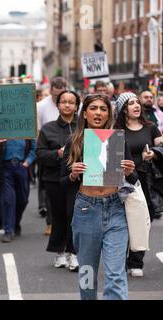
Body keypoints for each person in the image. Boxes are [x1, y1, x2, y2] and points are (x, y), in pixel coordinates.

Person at [61, 94, 137, 300]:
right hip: (86, 210)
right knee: (87, 274)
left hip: (115, 210)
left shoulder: (118, 139)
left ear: (108, 114)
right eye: (93, 108)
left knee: (116, 274)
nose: (98, 113)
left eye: (103, 109)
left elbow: (134, 178)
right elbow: (61, 182)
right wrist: (73, 174)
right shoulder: (75, 142)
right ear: (85, 113)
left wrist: (130, 171)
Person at [114, 92, 163, 276]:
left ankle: (136, 261)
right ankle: (120, 259)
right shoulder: (116, 130)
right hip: (123, 181)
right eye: (131, 103)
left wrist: (155, 153)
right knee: (123, 221)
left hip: (145, 180)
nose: (136, 105)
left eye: (137, 102)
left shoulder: (151, 128)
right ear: (123, 110)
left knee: (143, 220)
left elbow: (161, 146)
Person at [37, 90, 80, 271]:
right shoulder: (48, 129)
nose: (67, 105)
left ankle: (73, 252)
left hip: (78, 179)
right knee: (59, 215)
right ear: (58, 105)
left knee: (75, 216)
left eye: (71, 102)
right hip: (54, 179)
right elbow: (40, 154)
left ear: (77, 105)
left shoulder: (83, 128)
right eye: (64, 102)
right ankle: (60, 252)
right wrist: (58, 153)